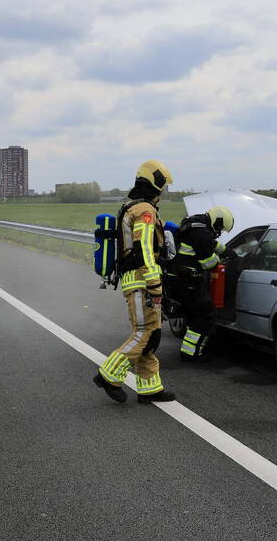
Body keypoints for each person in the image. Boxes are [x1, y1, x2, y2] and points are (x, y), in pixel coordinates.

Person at [94, 160, 176, 404]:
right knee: (144, 333)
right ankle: (108, 375)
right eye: (163, 187)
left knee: (151, 336)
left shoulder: (133, 207)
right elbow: (145, 251)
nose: (163, 192)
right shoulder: (145, 211)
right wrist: (155, 285)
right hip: (142, 281)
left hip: (136, 279)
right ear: (156, 184)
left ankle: (149, 387)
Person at [166, 206, 234, 361]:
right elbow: (208, 263)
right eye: (221, 228)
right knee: (207, 314)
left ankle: (189, 350)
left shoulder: (195, 225)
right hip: (186, 280)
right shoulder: (201, 233)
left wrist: (227, 250)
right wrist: (220, 259)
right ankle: (190, 353)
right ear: (217, 222)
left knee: (195, 314)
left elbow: (211, 244)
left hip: (177, 278)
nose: (219, 232)